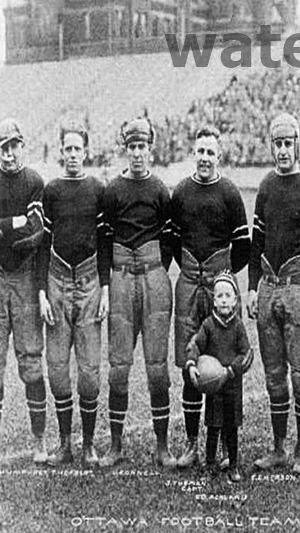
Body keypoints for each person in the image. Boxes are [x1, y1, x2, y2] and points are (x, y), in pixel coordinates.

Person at [247, 113, 300, 475]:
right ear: (271, 147)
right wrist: (252, 288)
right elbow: (257, 242)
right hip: (268, 288)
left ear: (298, 145)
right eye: (277, 144)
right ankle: (279, 447)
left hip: (298, 288)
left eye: (288, 144)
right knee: (274, 375)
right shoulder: (265, 186)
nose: (283, 150)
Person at [169, 125, 250, 469]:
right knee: (192, 366)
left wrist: (222, 278)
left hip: (219, 288)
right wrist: (193, 269)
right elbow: (172, 242)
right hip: (189, 284)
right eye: (200, 151)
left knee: (221, 362)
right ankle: (191, 443)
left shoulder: (230, 193)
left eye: (210, 152)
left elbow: (243, 247)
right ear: (194, 153)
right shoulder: (182, 192)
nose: (204, 158)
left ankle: (223, 446)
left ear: (220, 156)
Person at [100, 117, 177, 468]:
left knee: (157, 367)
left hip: (153, 276)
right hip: (120, 279)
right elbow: (104, 238)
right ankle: (116, 446)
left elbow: (171, 239)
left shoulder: (161, 190)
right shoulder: (112, 190)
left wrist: (155, 266)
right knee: (118, 367)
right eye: (131, 147)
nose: (137, 153)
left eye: (142, 147)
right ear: (125, 149)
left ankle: (163, 446)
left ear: (151, 149)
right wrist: (109, 280)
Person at [37, 123, 110, 467]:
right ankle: (65, 443)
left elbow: (106, 242)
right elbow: (41, 245)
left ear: (86, 151)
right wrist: (41, 292)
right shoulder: (51, 190)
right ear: (61, 152)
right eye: (67, 149)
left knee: (90, 372)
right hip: (56, 281)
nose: (72, 155)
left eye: (77, 149)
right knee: (57, 370)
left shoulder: (97, 188)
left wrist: (106, 288)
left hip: (89, 282)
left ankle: (88, 445)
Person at [0, 117, 47, 463]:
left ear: (22, 146)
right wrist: (12, 224)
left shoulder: (33, 181)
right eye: (3, 147)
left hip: (27, 280)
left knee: (31, 362)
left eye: (14, 146)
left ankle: (39, 439)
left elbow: (35, 232)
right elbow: (22, 226)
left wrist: (4, 229)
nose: (9, 153)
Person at [186, 271, 253, 482]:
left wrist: (230, 370)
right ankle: (210, 465)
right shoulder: (208, 325)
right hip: (214, 386)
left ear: (235, 300)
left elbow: (246, 353)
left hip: (232, 384)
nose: (224, 300)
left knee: (231, 428)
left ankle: (233, 465)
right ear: (214, 301)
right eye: (219, 296)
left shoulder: (238, 326)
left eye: (228, 296)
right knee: (213, 427)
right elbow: (196, 345)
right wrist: (191, 364)